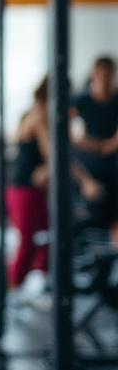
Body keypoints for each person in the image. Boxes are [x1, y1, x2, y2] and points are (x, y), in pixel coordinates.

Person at [8, 77, 103, 288]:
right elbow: (56, 155)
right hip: (25, 190)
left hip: (25, 189)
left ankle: (41, 286)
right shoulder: (40, 116)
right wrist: (86, 181)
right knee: (31, 244)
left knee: (46, 240)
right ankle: (11, 295)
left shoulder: (34, 113)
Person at [74, 56, 118, 242]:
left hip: (113, 170)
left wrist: (106, 145)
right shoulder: (80, 101)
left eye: (108, 75)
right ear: (93, 75)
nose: (104, 79)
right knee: (86, 222)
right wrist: (100, 145)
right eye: (100, 74)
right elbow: (73, 137)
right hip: (86, 173)